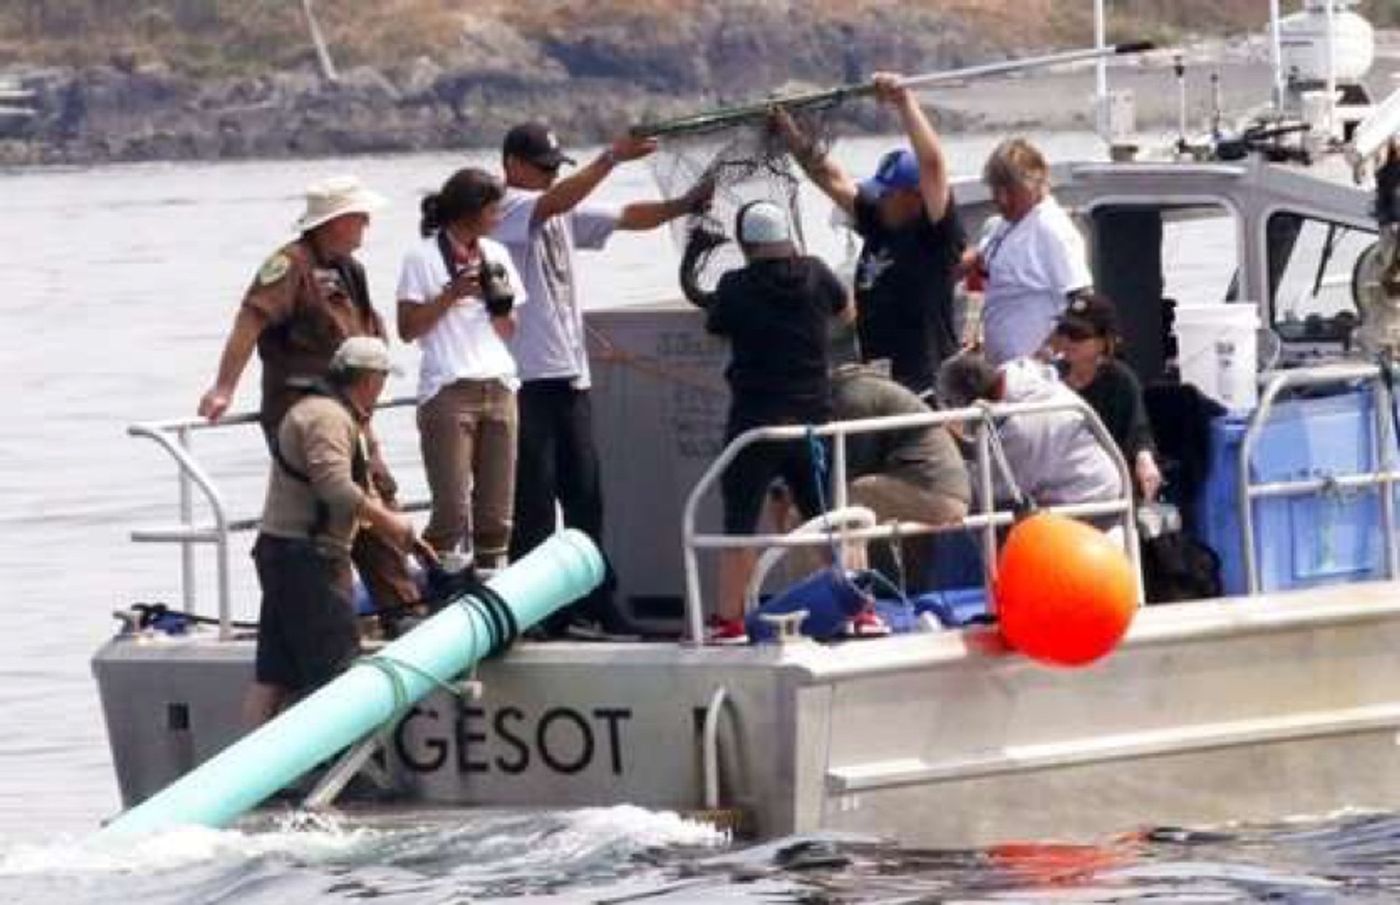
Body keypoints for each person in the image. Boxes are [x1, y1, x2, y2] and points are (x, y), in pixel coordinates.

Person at [493, 121, 713, 638]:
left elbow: (623, 217)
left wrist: (683, 205)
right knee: (533, 503)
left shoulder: (561, 209)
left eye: (554, 169)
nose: (549, 178)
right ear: (512, 166)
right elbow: (553, 203)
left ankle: (595, 599)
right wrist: (611, 158)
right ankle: (537, 609)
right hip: (527, 380)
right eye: (541, 168)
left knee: (587, 498)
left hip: (572, 378)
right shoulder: (504, 208)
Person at [196, 175, 421, 623]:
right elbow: (250, 323)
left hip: (352, 412)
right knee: (337, 505)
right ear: (334, 222)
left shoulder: (347, 270)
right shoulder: (289, 265)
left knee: (379, 494)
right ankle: (362, 615)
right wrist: (224, 387)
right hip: (305, 412)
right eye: (359, 217)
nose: (366, 225)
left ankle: (402, 608)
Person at [683, 200, 853, 641]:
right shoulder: (816, 273)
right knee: (829, 518)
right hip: (813, 420)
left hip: (756, 425)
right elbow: (845, 310)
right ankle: (854, 606)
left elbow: (715, 325)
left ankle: (731, 619)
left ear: (746, 243)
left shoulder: (735, 286)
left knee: (739, 522)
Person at [246, 337, 426, 725]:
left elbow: (353, 486)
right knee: (336, 673)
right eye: (381, 380)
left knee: (275, 674)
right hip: (309, 559)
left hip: (282, 553)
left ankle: (254, 772)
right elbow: (336, 487)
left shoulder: (331, 414)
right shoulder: (327, 418)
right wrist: (390, 522)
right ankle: (348, 775)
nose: (381, 391)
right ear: (369, 379)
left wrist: (402, 534)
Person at [777, 72, 967, 395]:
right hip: (879, 384)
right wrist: (790, 136)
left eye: (887, 193)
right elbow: (830, 177)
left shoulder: (935, 237)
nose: (878, 199)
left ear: (913, 196)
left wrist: (904, 102)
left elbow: (933, 165)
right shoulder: (879, 224)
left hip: (925, 387)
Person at [397, 168, 526, 572]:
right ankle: (439, 593)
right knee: (451, 510)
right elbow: (407, 329)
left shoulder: (496, 254)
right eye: (493, 210)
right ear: (471, 211)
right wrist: (451, 294)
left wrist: (494, 301)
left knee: (496, 515)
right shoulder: (421, 257)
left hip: (499, 385)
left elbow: (509, 330)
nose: (499, 217)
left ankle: (492, 593)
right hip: (449, 389)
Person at [831, 362, 971, 586]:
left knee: (849, 501)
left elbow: (853, 466)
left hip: (933, 491)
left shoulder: (853, 397)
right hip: (944, 489)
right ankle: (909, 592)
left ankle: (850, 593)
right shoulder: (876, 391)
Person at [937, 352, 1123, 508]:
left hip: (1090, 504)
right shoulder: (1021, 374)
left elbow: (984, 489)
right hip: (1077, 493)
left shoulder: (1025, 424)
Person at [967, 138, 1092, 366]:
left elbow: (1082, 300)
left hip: (1034, 370)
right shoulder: (1001, 225)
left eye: (1011, 190)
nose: (1001, 199)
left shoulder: (1051, 228)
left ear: (1036, 183)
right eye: (996, 189)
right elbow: (980, 278)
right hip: (999, 365)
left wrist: (1046, 352)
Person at [1048, 293, 1163, 499]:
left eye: (1078, 334)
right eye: (1064, 331)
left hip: (1102, 487)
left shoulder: (1120, 381)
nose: (1068, 340)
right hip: (1054, 482)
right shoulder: (1049, 378)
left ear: (1104, 342)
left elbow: (1138, 432)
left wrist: (1145, 460)